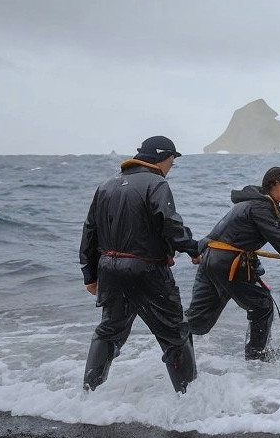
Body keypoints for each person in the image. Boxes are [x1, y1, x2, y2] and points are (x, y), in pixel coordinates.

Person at [79, 135, 201, 393]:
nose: (170, 168)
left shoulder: (106, 185)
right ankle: (191, 400)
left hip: (109, 269)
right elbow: (169, 224)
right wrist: (193, 248)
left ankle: (88, 396)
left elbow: (90, 232)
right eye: (172, 162)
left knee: (109, 330)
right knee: (174, 332)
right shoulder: (156, 183)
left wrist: (90, 275)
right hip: (146, 270)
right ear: (163, 157)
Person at [185, 167, 280, 361]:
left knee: (198, 321)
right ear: (276, 183)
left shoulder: (252, 205)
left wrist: (197, 251)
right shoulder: (260, 206)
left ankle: (169, 338)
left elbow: (223, 233)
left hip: (211, 260)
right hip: (228, 264)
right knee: (262, 306)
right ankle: (257, 358)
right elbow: (276, 236)